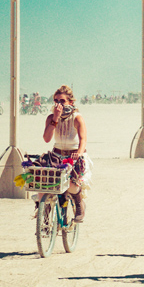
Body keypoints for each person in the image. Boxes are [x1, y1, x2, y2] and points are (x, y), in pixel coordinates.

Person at [41, 85, 91, 223]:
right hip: (56, 156)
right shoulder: (51, 118)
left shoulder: (77, 118)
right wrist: (55, 118)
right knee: (45, 183)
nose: (59, 104)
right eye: (56, 101)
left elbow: (83, 139)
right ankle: (45, 214)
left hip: (73, 156)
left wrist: (79, 153)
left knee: (70, 183)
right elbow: (47, 139)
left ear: (71, 102)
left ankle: (79, 203)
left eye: (62, 101)